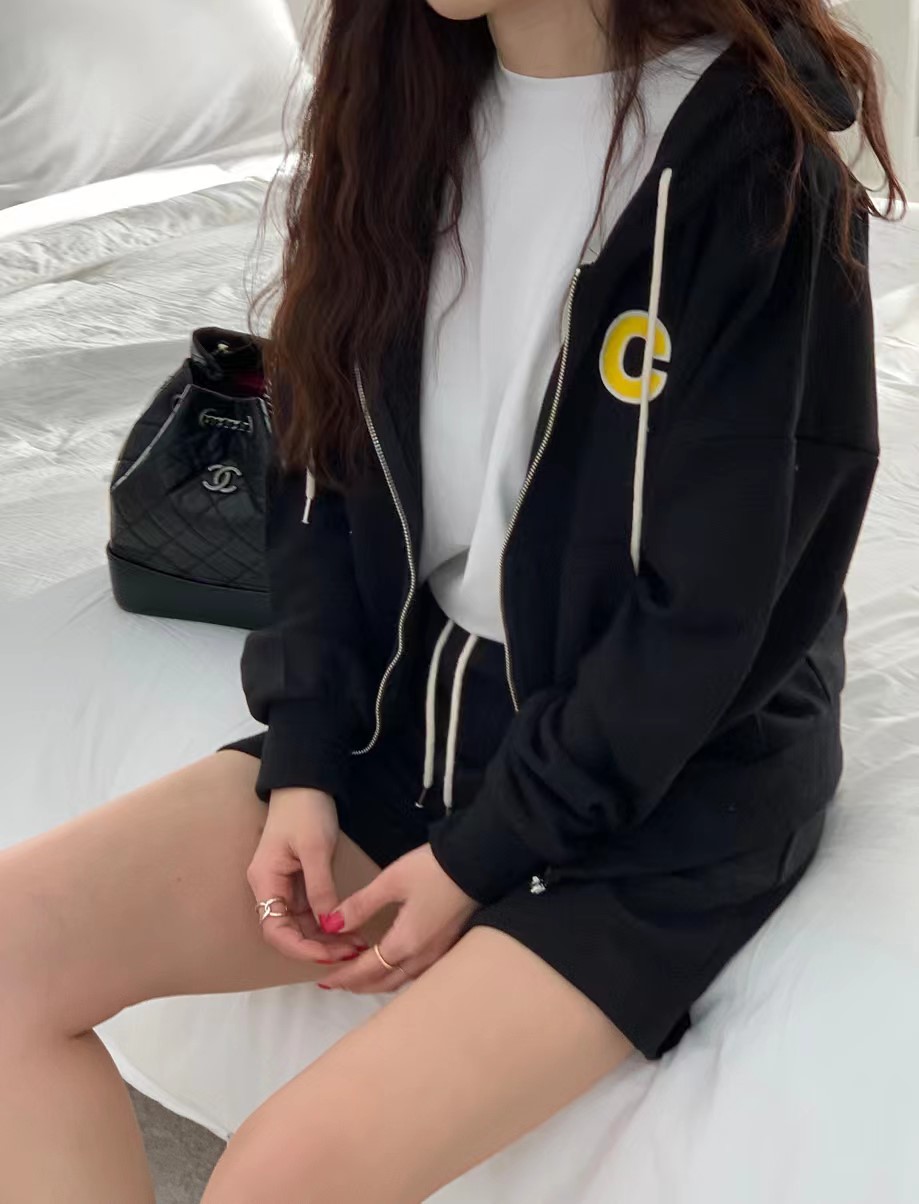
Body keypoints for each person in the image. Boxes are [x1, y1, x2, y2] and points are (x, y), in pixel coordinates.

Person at [0, 1, 904, 1200]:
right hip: (412, 716)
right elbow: (319, 470)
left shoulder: (752, 164)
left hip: (666, 781)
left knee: (278, 1180)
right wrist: (304, 760)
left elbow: (712, 614)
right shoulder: (396, 110)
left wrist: (480, 856)